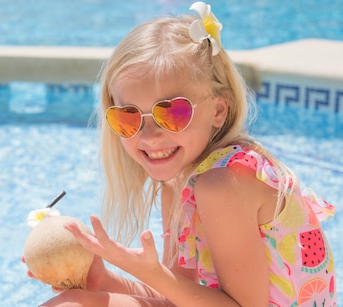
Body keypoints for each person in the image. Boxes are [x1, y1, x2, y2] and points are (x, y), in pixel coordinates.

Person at [24, 2, 337, 306]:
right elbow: (178, 300)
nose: (149, 136)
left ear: (218, 109)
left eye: (172, 112)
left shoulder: (224, 183)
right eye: (128, 117)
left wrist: (150, 273)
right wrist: (102, 281)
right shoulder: (179, 185)